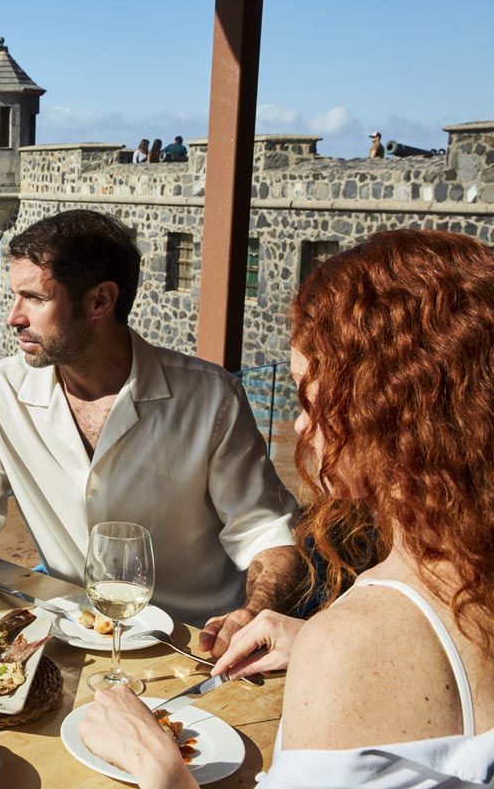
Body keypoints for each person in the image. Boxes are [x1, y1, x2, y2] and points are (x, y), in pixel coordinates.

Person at [78, 228, 494, 788]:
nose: (299, 425)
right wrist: (310, 641)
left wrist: (156, 762)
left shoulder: (357, 642)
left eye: (308, 395)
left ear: (384, 409)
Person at [0, 209, 300, 646]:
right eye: (14, 296)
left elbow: (267, 533)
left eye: (34, 298)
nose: (14, 317)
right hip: (74, 635)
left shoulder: (211, 397)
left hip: (195, 642)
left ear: (99, 302)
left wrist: (254, 612)